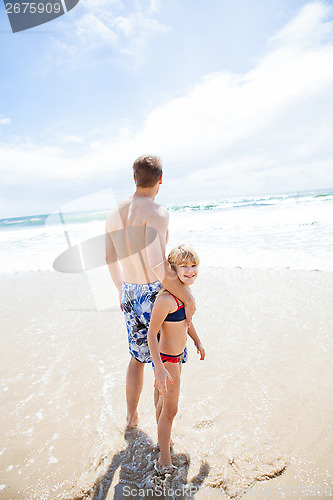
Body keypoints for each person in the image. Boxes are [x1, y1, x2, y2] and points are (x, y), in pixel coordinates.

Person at [105, 155, 196, 428]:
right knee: (166, 357)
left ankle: (131, 417)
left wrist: (122, 288)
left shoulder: (114, 213)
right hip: (156, 293)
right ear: (160, 180)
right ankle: (162, 430)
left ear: (134, 179)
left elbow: (110, 257)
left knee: (136, 358)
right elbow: (158, 265)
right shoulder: (157, 212)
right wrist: (188, 298)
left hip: (130, 291)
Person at [147, 244, 205, 471]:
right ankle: (164, 460)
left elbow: (185, 323)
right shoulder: (166, 299)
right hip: (167, 361)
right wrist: (159, 367)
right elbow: (152, 333)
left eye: (194, 265)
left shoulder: (183, 295)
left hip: (176, 358)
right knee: (170, 411)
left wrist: (197, 340)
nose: (190, 270)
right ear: (172, 270)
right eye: (184, 267)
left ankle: (165, 442)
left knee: (164, 404)